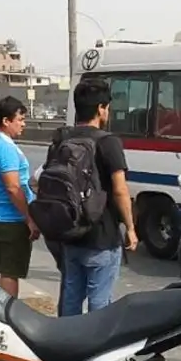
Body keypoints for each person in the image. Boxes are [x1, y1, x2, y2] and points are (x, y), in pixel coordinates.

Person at [47, 77, 133, 314]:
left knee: (71, 298)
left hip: (69, 232)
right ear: (101, 108)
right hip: (101, 235)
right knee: (99, 302)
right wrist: (131, 228)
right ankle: (95, 338)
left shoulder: (62, 139)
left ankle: (67, 336)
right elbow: (120, 190)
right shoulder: (108, 142)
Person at [0, 95, 38, 299]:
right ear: (6, 121)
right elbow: (13, 187)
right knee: (10, 273)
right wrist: (29, 219)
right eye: (20, 119)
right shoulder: (5, 148)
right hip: (11, 219)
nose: (23, 124)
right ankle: (8, 312)